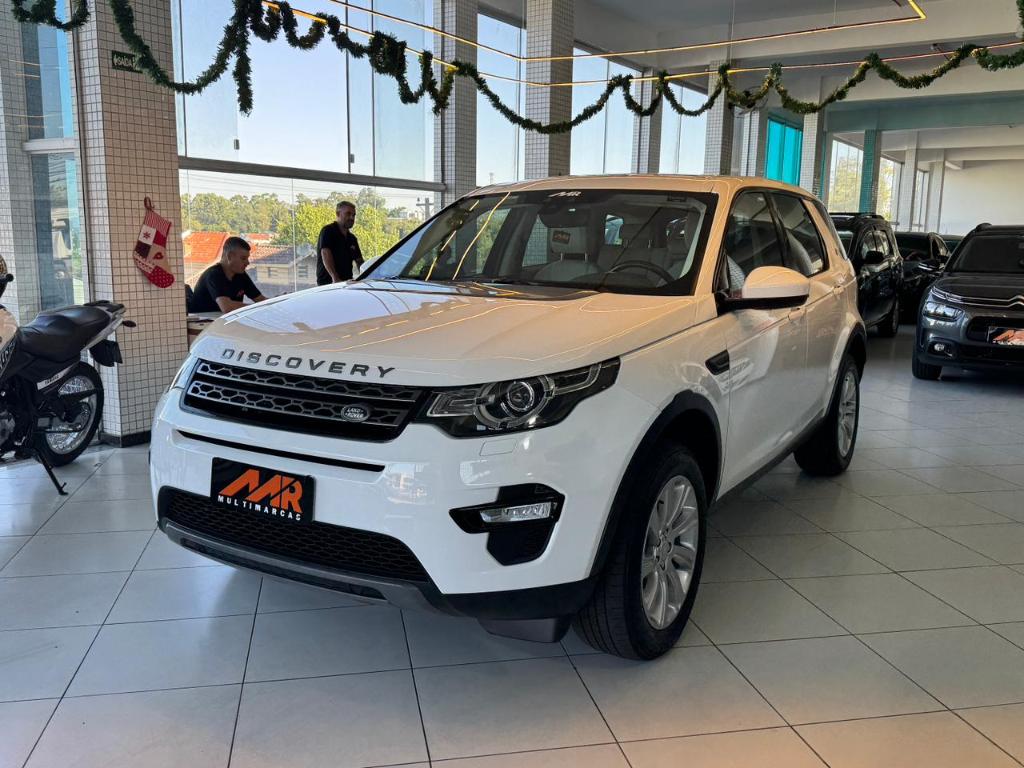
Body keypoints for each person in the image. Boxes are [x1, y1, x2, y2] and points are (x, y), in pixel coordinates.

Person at [187, 236, 267, 313]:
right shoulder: (214, 275)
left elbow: (260, 299)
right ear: (229, 256)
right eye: (243, 258)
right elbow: (227, 307)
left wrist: (272, 305)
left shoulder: (241, 275)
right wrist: (257, 307)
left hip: (222, 320)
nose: (247, 263)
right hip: (202, 320)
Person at [316, 201, 363, 285]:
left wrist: (367, 276)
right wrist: (335, 278)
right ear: (338, 214)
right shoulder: (328, 231)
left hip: (347, 283)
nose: (352, 218)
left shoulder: (352, 238)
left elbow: (359, 261)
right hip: (328, 284)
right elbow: (325, 253)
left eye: (354, 215)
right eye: (348, 214)